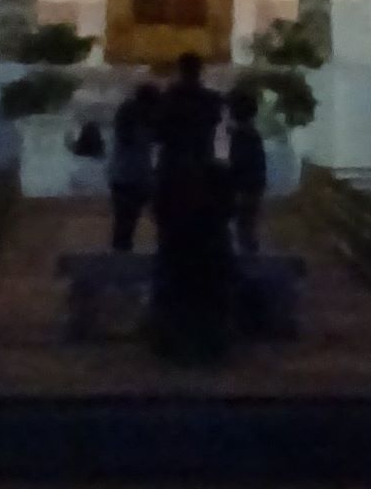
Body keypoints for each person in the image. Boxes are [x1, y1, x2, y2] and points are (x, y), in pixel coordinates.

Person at [149, 55, 234, 362]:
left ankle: (169, 339)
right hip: (202, 175)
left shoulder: (168, 101)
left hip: (173, 179)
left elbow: (157, 135)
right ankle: (207, 340)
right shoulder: (212, 101)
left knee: (171, 261)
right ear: (200, 71)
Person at [108, 82, 161, 251]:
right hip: (134, 177)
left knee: (124, 224)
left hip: (125, 176)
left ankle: (121, 256)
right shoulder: (138, 126)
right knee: (127, 223)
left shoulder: (128, 119)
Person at [225, 85, 269, 254]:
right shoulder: (250, 133)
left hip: (246, 186)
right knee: (246, 227)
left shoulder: (243, 135)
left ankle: (250, 261)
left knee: (245, 228)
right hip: (253, 185)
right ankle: (250, 259)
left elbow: (239, 162)